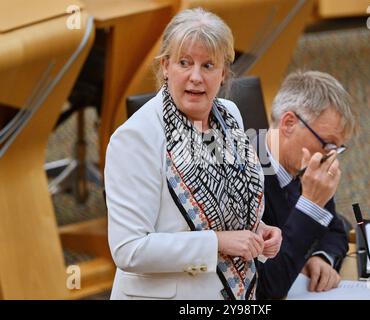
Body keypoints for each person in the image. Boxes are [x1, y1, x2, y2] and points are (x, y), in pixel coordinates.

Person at [104, 8, 281, 300]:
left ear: (223, 72)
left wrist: (258, 231)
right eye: (184, 63)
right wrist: (218, 243)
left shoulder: (230, 116)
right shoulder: (136, 138)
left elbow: (223, 202)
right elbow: (130, 249)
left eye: (208, 65)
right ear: (165, 66)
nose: (196, 77)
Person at [254, 70, 358, 299]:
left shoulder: (304, 164)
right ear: (289, 123)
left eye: (337, 148)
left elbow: (336, 227)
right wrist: (310, 204)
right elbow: (265, 288)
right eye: (327, 144)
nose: (330, 158)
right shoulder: (243, 176)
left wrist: (322, 256)